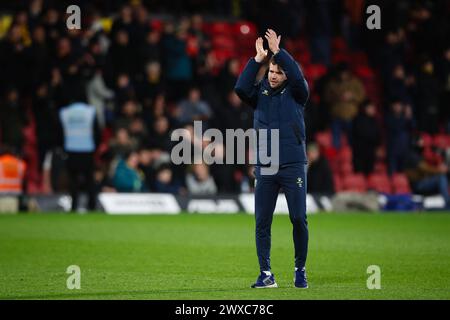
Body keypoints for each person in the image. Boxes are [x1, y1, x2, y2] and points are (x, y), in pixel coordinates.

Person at [234, 29, 310, 289]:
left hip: (292, 165)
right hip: (266, 166)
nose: (274, 76)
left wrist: (279, 52)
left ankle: (300, 269)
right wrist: (256, 60)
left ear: (286, 73)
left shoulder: (298, 93)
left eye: (278, 72)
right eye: (271, 72)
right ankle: (266, 273)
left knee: (298, 218)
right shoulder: (258, 95)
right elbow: (240, 88)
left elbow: (299, 78)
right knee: (262, 222)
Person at [59, 96, 100, 212]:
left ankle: (73, 206)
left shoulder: (64, 112)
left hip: (71, 149)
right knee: (89, 180)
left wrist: (64, 148)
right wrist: (94, 147)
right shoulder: (90, 111)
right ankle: (92, 206)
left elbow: (60, 132)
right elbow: (97, 131)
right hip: (87, 150)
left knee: (73, 181)